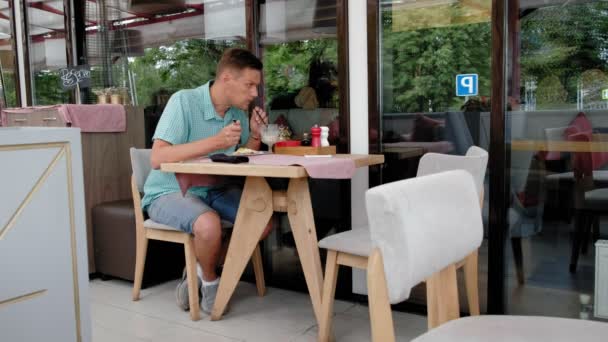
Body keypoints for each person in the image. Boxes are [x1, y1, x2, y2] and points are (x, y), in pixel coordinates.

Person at [141, 48, 272, 314]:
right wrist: (215, 142)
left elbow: (239, 156)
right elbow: (158, 157)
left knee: (262, 220)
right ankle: (212, 283)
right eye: (249, 85)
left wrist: (255, 136)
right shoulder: (183, 102)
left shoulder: (236, 114)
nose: (255, 94)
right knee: (209, 225)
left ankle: (199, 271)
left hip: (215, 187)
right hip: (169, 190)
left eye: (256, 87)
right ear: (226, 79)